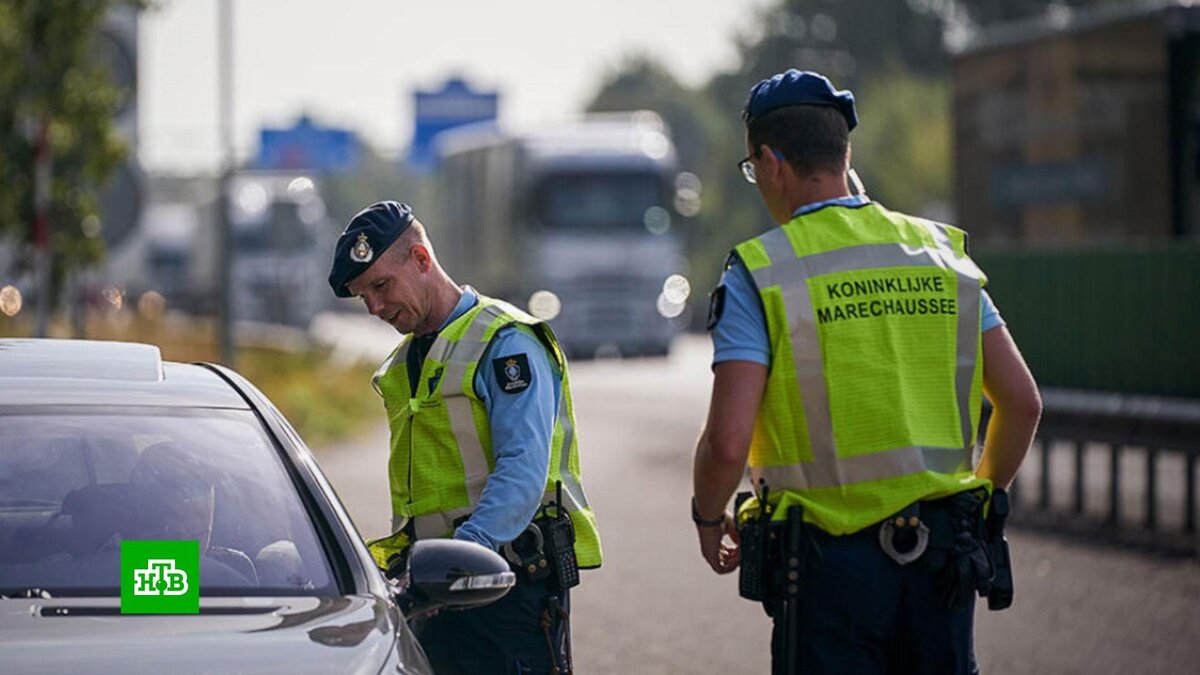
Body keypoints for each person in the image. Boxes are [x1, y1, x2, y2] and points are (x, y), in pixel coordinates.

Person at [691, 70, 1042, 674]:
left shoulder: (761, 272)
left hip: (827, 572)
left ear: (771, 163)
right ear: (843, 153)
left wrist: (706, 516)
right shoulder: (939, 253)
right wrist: (981, 502)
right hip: (942, 563)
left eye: (753, 170)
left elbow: (727, 440)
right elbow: (1021, 401)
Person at [327, 200, 602, 674]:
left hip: (503, 586)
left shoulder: (505, 343)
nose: (373, 307)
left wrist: (461, 560)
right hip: (437, 589)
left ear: (420, 260)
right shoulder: (406, 359)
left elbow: (522, 473)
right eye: (362, 296)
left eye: (380, 285)